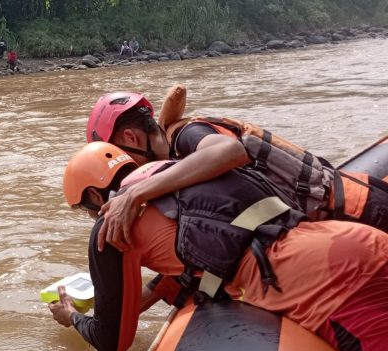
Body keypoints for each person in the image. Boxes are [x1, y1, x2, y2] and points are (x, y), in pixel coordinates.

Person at [52, 140, 388, 351]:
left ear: (94, 196)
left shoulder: (112, 225)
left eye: (85, 210)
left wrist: (73, 317)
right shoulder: (183, 170)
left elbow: (112, 341)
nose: (91, 218)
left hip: (331, 288)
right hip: (357, 242)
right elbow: (205, 254)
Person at [86, 90, 388, 249]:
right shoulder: (180, 161)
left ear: (132, 138)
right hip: (347, 213)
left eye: (121, 158)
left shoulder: (187, 135)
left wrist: (135, 193)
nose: (125, 172)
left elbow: (229, 151)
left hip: (359, 211)